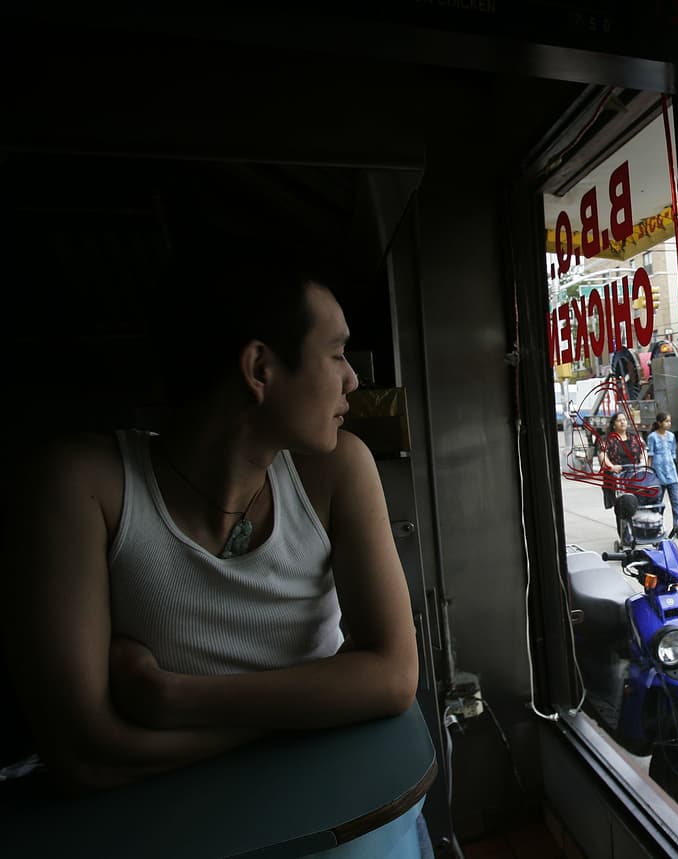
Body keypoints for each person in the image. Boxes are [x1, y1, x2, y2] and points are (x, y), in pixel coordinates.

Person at [2, 255, 427, 854]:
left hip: (347, 811)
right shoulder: (79, 485)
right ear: (259, 368)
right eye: (336, 354)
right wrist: (318, 704)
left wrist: (171, 701)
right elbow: (82, 755)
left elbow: (392, 678)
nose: (353, 380)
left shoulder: (338, 467)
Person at [645, 413, 678, 540]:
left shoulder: (671, 436)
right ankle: (656, 528)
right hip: (658, 473)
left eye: (670, 421)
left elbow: (673, 454)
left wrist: (677, 470)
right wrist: (649, 473)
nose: (668, 424)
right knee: (658, 502)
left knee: (676, 502)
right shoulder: (652, 437)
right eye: (666, 421)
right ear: (659, 423)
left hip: (671, 473)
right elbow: (650, 455)